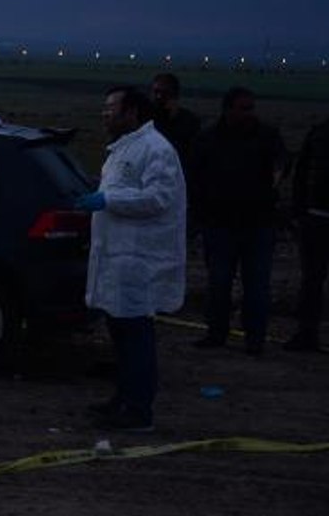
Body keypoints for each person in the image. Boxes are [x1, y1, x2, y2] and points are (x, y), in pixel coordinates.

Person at [74, 86, 186, 433]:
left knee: (136, 337)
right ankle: (122, 399)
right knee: (121, 335)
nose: (104, 114)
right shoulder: (125, 149)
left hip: (138, 261)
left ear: (133, 112)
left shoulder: (156, 150)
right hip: (117, 260)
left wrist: (108, 200)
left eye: (111, 108)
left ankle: (138, 410)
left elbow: (157, 199)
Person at [188, 87, 287, 355]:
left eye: (251, 108)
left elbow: (281, 163)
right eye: (243, 108)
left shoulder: (266, 135)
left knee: (257, 286)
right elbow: (193, 176)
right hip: (220, 224)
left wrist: (274, 184)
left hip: (258, 224)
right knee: (218, 282)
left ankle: (255, 339)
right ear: (228, 108)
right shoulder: (208, 138)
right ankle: (216, 333)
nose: (249, 113)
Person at [283, 116, 329, 352]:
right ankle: (307, 333)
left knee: (312, 280)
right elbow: (301, 172)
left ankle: (307, 332)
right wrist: (299, 209)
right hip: (316, 217)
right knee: (311, 280)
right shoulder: (318, 132)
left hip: (314, 216)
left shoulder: (319, 132)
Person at [150, 72, 201, 175]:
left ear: (175, 95)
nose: (159, 97)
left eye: (165, 93)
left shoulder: (189, 122)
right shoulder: (144, 119)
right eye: (156, 92)